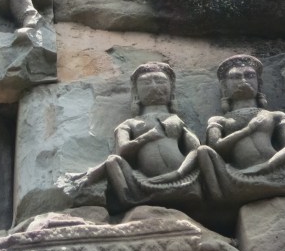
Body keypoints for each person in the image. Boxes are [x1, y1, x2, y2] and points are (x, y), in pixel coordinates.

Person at [62, 63, 202, 208]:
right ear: (136, 92)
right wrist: (148, 136)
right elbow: (122, 150)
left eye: (160, 81)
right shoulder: (129, 124)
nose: (154, 86)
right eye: (146, 82)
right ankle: (125, 198)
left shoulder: (177, 121)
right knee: (113, 161)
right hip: (143, 183)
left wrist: (179, 173)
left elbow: (195, 149)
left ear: (171, 90)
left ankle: (87, 178)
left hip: (183, 180)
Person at [196, 55, 285, 204]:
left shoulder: (276, 115)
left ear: (259, 83)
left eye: (250, 75)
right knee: (203, 151)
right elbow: (216, 148)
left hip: (276, 170)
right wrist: (247, 130)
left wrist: (268, 166)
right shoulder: (219, 120)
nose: (243, 80)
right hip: (239, 174)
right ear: (224, 86)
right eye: (235, 77)